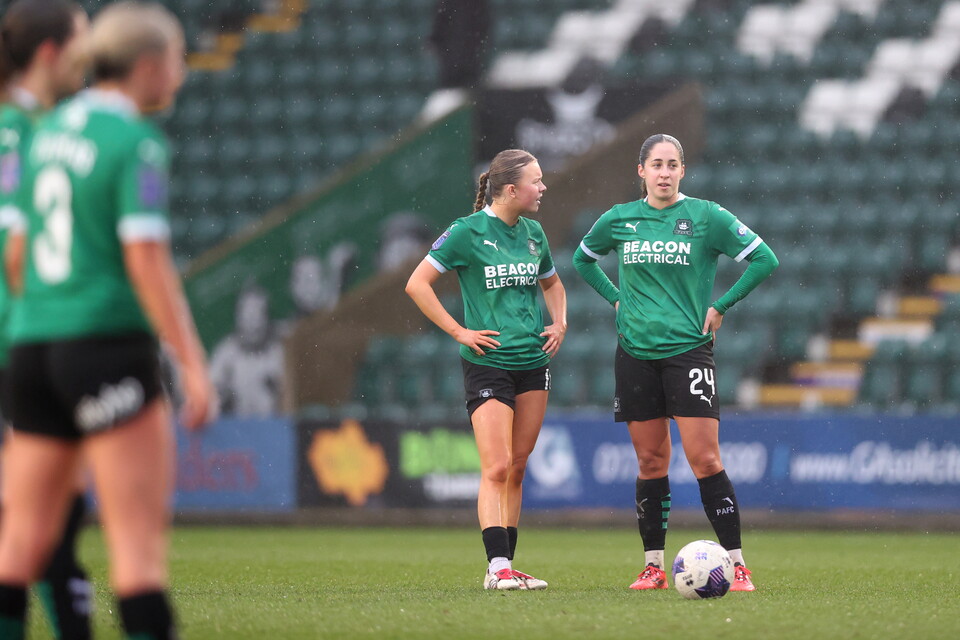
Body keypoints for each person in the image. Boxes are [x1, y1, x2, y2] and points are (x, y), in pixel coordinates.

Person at [0, 3, 216, 639]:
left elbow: (16, 253)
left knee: (19, 542)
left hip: (31, 347)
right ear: (147, 65)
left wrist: (50, 307)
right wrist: (192, 363)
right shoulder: (134, 141)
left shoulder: (43, 132)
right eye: (176, 60)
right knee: (136, 551)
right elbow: (146, 259)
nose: (180, 74)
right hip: (105, 347)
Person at [573, 134, 778, 592]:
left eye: (672, 164)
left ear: (683, 171)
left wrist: (721, 305)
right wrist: (616, 299)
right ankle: (653, 567)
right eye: (656, 164)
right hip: (634, 353)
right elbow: (582, 260)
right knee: (651, 461)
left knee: (705, 458)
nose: (664, 173)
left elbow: (764, 259)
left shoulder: (707, 216)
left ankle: (738, 565)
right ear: (641, 171)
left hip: (688, 351)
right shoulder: (619, 218)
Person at [406, 149, 566, 591]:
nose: (543, 187)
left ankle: (507, 566)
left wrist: (560, 322)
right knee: (496, 466)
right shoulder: (466, 231)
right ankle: (497, 568)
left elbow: (553, 284)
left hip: (533, 364)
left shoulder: (534, 233)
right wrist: (459, 331)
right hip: (488, 365)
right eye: (536, 180)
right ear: (511, 190)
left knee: (517, 467)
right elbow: (417, 284)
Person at [0, 1, 91, 638]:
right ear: (51, 52)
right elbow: (17, 250)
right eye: (82, 40)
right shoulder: (28, 131)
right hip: (23, 339)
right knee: (48, 513)